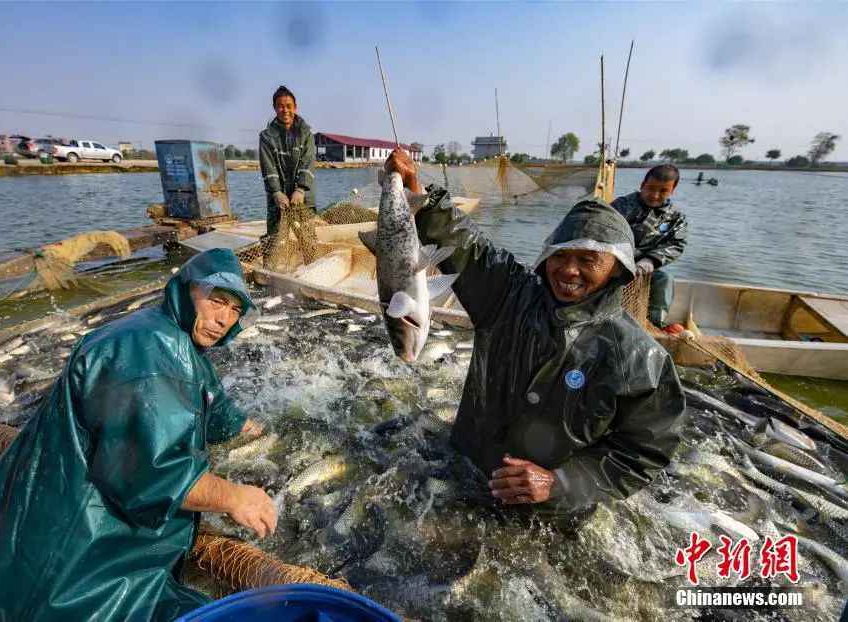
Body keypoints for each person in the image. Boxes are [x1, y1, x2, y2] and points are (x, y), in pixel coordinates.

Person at [0, 249, 277, 621]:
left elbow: (207, 400)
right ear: (187, 291)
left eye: (236, 310)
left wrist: (246, 426)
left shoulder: (164, 335)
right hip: (69, 572)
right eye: (217, 301)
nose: (224, 319)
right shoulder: (149, 353)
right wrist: (235, 496)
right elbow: (153, 474)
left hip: (34, 535)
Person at [384, 150, 685, 525]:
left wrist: (560, 483)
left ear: (617, 270)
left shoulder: (641, 359)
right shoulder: (508, 294)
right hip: (461, 469)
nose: (569, 270)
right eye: (561, 255)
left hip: (547, 511)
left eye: (589, 260)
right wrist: (419, 194)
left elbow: (643, 453)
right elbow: (469, 247)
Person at [611, 164, 688, 330]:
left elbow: (677, 243)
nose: (654, 195)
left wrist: (651, 260)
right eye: (650, 188)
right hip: (615, 264)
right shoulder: (621, 205)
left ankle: (654, 325)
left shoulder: (675, 217)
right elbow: (603, 230)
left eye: (663, 191)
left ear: (672, 191)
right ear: (642, 185)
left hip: (645, 269)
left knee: (665, 279)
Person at [259, 85, 316, 236]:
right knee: (275, 242)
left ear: (295, 107)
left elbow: (308, 162)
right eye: (280, 106)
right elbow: (268, 167)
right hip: (278, 201)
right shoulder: (266, 136)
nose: (285, 110)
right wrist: (276, 192)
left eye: (289, 106)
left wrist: (300, 189)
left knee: (308, 241)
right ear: (275, 108)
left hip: (303, 198)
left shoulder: (307, 134)